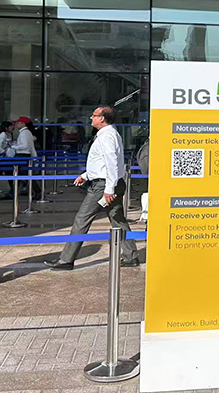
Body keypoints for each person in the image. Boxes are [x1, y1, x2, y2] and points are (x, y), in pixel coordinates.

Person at [44, 106, 137, 270]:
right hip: (108, 183)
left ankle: (66, 260)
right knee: (117, 219)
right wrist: (86, 175)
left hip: (103, 187)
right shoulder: (109, 134)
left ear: (102, 118)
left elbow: (111, 163)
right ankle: (131, 256)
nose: (91, 118)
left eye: (94, 115)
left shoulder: (107, 136)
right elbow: (102, 162)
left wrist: (109, 189)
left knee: (82, 219)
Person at [11, 116, 41, 201]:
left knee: (23, 174)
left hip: (22, 156)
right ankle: (13, 192)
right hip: (25, 156)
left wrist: (13, 146)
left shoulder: (24, 133)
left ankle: (37, 191)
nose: (16, 124)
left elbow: (25, 146)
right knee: (23, 175)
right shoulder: (27, 132)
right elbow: (31, 147)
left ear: (23, 123)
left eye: (18, 123)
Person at [0, 121, 14, 198]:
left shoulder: (10, 134)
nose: (12, 127)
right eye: (11, 126)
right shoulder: (3, 134)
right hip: (1, 158)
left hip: (6, 157)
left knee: (5, 173)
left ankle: (13, 190)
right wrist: (3, 153)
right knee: (2, 172)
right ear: (6, 128)